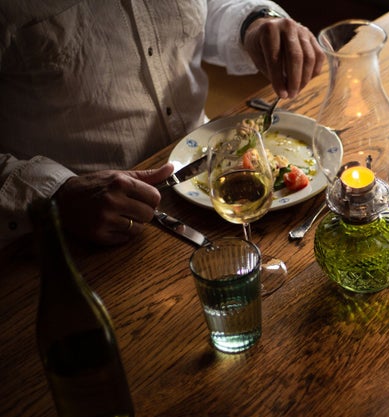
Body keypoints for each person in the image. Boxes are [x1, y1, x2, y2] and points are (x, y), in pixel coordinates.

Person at [0, 1, 324, 250]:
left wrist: (254, 21)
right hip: (75, 231)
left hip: (208, 184)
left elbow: (209, 6)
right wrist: (53, 193)